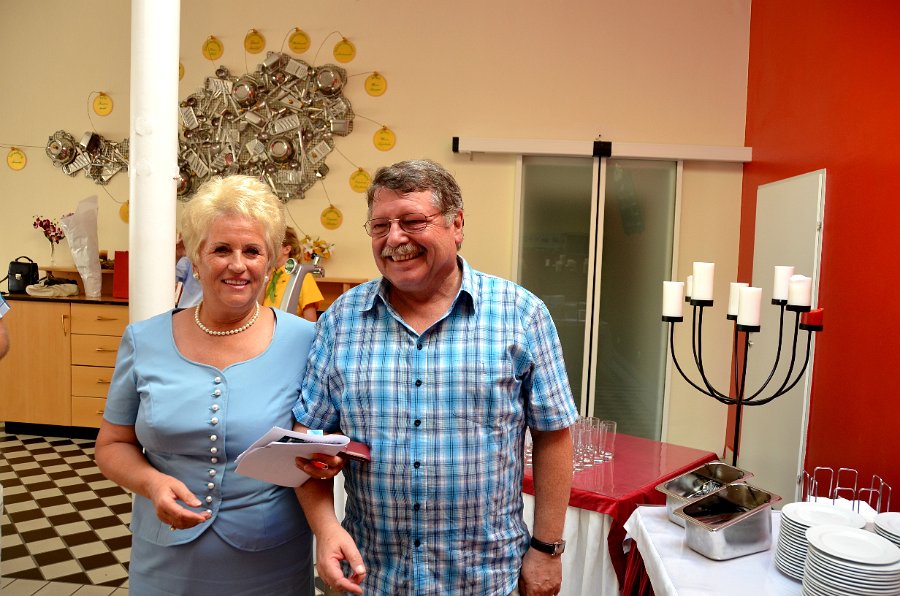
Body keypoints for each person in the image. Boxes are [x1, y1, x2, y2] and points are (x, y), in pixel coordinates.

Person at [293, 159, 578, 595]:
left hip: (485, 579)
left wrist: (547, 548)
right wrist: (325, 523)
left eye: (412, 222)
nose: (394, 239)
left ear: (456, 225)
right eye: (380, 226)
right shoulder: (341, 321)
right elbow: (306, 440)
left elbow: (553, 435)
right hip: (372, 578)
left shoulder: (521, 315)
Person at [95, 175, 342, 595]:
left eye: (253, 251)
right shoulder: (144, 340)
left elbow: (314, 443)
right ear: (196, 259)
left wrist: (325, 460)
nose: (238, 265)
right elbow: (111, 444)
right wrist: (151, 483)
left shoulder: (306, 341)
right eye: (221, 249)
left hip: (271, 559)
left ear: (271, 262)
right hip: (166, 559)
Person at [262, 226, 324, 322]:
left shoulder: (302, 276)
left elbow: (310, 322)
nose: (268, 249)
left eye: (273, 245)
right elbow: (257, 309)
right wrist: (265, 280)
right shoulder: (269, 274)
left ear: (287, 249)